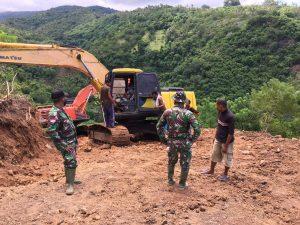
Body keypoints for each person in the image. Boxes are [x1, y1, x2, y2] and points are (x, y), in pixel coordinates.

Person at [157, 91, 201, 190]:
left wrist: (164, 140)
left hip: (172, 141)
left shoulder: (167, 112)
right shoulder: (188, 114)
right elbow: (197, 129)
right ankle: (182, 184)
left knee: (171, 161)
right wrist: (192, 140)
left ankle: (170, 180)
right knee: (185, 163)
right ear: (184, 101)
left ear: (174, 100)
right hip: (185, 142)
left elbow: (159, 126)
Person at [47, 90, 79, 195]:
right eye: (64, 98)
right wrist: (64, 145)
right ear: (62, 99)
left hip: (70, 141)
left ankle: (70, 180)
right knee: (71, 162)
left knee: (69, 160)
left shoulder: (61, 110)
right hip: (66, 143)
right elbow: (52, 131)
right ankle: (70, 185)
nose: (65, 99)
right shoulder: (54, 112)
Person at [201, 99, 235, 182]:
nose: (216, 107)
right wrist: (215, 137)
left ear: (221, 106)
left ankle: (225, 175)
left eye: (217, 105)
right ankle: (211, 170)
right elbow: (219, 126)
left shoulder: (230, 116)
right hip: (218, 139)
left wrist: (226, 146)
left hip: (226, 141)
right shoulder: (220, 112)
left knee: (227, 157)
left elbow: (231, 133)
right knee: (214, 154)